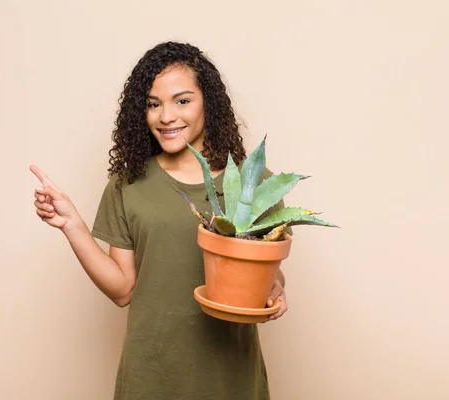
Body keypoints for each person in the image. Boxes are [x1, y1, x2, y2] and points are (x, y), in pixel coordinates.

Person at [30, 41, 288, 400]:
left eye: (182, 101)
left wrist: (275, 286)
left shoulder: (253, 184)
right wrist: (72, 224)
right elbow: (123, 290)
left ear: (208, 104)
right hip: (151, 376)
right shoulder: (129, 184)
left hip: (230, 379)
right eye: (153, 104)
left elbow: (267, 271)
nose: (166, 116)